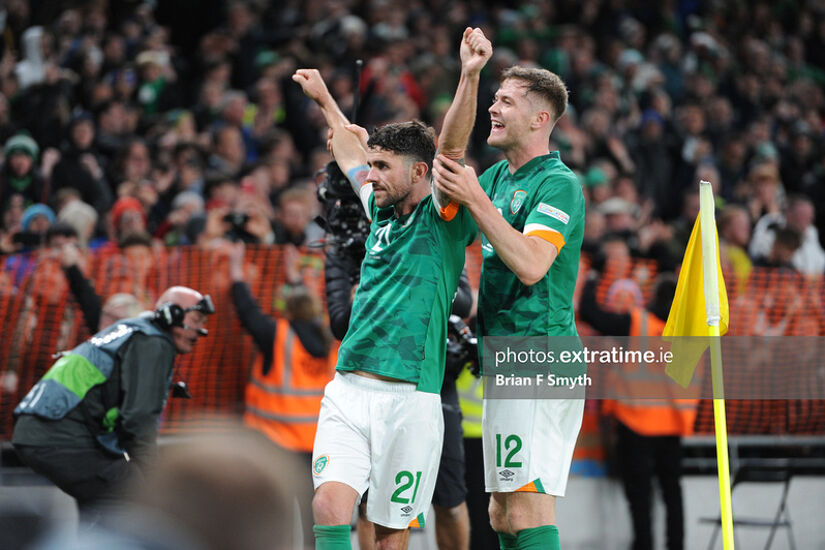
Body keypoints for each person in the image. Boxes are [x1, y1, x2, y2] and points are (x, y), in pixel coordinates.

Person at [291, 58, 480, 549]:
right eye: (371, 166)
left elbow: (453, 146)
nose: (369, 177)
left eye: (382, 167)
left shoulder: (444, 218)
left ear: (420, 171)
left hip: (411, 400)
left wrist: (468, 75)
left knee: (389, 534)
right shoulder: (379, 209)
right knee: (329, 506)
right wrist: (325, 100)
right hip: (349, 389)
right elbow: (351, 152)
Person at [433, 29, 585, 550]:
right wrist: (470, 75)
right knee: (501, 513)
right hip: (506, 356)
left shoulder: (558, 184)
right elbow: (449, 166)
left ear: (540, 119)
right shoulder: (497, 177)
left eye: (506, 101)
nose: (493, 109)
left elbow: (531, 264)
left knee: (525, 508)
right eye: (494, 99)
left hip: (541, 353)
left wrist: (478, 201)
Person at [11, 285, 214, 518]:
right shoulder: (153, 342)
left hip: (44, 431)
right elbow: (139, 421)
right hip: (58, 436)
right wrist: (154, 477)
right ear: (172, 313)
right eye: (197, 320)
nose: (201, 330)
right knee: (134, 492)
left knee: (106, 495)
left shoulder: (132, 331)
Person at [228, 240, 334, 549]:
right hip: (316, 447)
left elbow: (247, 311)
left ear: (288, 309)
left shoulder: (278, 334)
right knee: (314, 519)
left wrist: (237, 272)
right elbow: (308, 309)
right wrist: (295, 278)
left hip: (272, 445)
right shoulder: (328, 340)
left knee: (274, 520)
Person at [579, 272, 695, 550]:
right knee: (672, 494)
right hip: (672, 426)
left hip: (635, 424)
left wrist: (594, 279)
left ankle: (643, 545)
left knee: (640, 496)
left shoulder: (637, 323)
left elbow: (590, 313)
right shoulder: (688, 333)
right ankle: (676, 546)